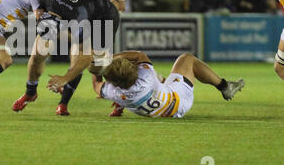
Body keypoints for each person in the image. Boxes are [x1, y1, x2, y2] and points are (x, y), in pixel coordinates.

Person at [12, 0, 120, 116]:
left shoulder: (78, 18)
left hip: (104, 18)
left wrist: (64, 79)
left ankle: (120, 97)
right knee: (38, 52)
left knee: (94, 67)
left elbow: (85, 55)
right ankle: (30, 92)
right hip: (80, 9)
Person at [91, 51, 245, 118]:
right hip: (178, 100)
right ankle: (225, 87)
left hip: (158, 109)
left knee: (159, 81)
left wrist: (94, 66)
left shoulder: (112, 91)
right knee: (187, 59)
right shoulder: (146, 76)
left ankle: (120, 105)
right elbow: (138, 56)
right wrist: (109, 58)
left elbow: (97, 86)